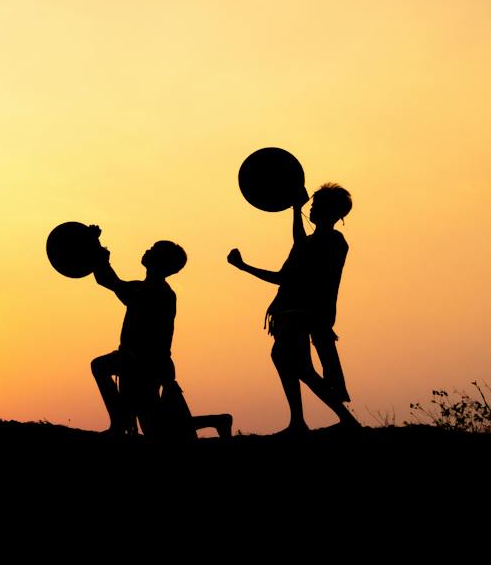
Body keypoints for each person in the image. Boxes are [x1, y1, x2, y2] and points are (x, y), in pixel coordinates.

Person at [228, 183, 358, 433]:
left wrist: (244, 267)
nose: (312, 208)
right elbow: (284, 273)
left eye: (316, 205)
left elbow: (291, 268)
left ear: (332, 212)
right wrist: (244, 266)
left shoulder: (333, 241)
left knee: (295, 364)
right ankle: (301, 420)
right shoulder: (313, 243)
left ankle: (332, 420)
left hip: (304, 313)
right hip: (294, 311)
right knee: (292, 363)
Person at [89, 238, 231, 439]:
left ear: (161, 262)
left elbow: (118, 288)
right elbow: (107, 281)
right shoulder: (145, 286)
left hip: (143, 364)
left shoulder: (159, 292)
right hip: (142, 363)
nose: (148, 250)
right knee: (154, 429)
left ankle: (118, 424)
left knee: (100, 366)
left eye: (154, 249)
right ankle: (217, 421)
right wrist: (95, 248)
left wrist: (100, 258)